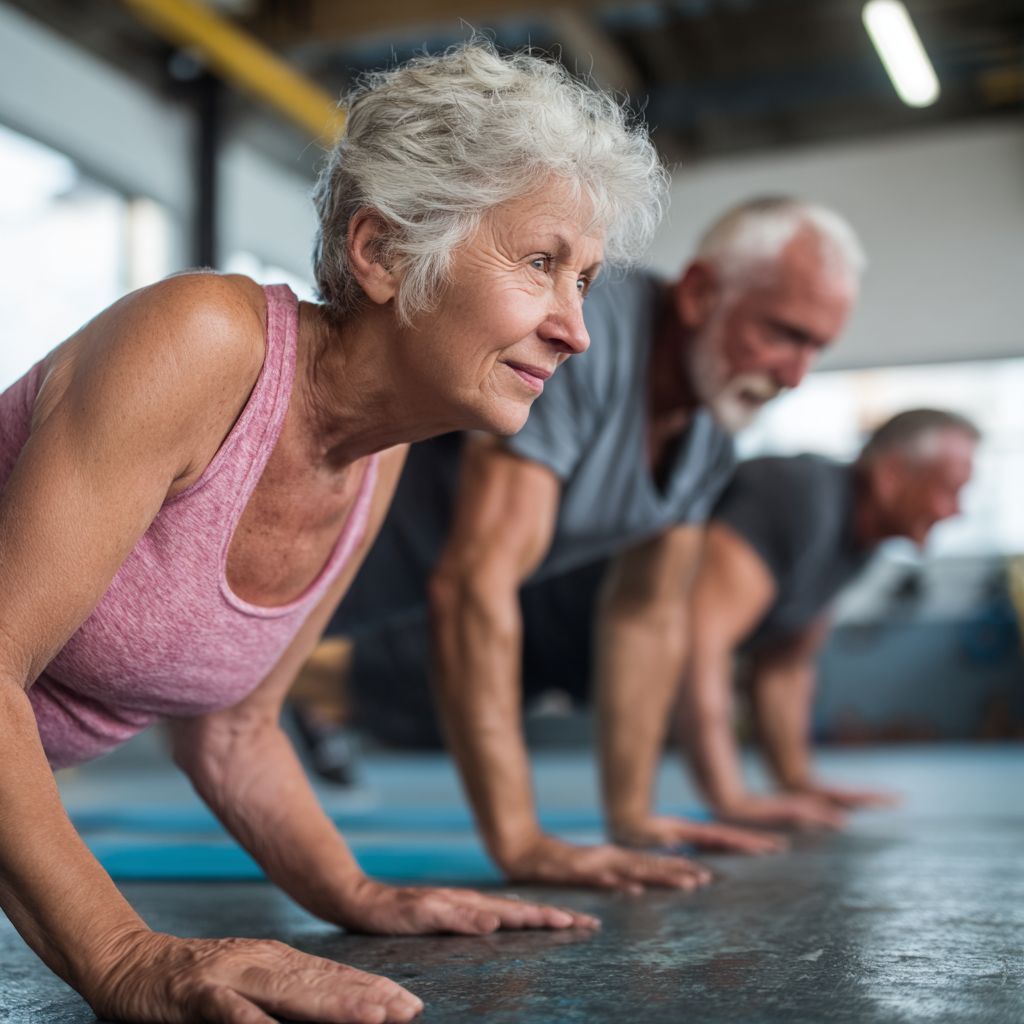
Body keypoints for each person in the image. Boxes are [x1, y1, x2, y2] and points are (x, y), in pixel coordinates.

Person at [0, 44, 669, 1024]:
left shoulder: (376, 452)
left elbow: (234, 730)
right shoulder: (200, 339)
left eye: (585, 279)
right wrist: (123, 956)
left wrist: (352, 894)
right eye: (540, 263)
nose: (577, 328)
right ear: (382, 253)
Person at [311, 195, 866, 892]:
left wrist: (633, 817)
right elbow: (475, 580)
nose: (795, 375)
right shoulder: (587, 336)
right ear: (699, 293)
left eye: (818, 347)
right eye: (784, 333)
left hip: (331, 608)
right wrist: (520, 841)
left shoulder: (709, 431)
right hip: (266, 569)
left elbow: (647, 615)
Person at [680, 409, 979, 831]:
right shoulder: (800, 499)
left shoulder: (861, 540)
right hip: (564, 635)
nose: (956, 512)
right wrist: (731, 799)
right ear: (892, 473)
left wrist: (798, 782)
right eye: (950, 490)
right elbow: (699, 644)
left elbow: (786, 664)